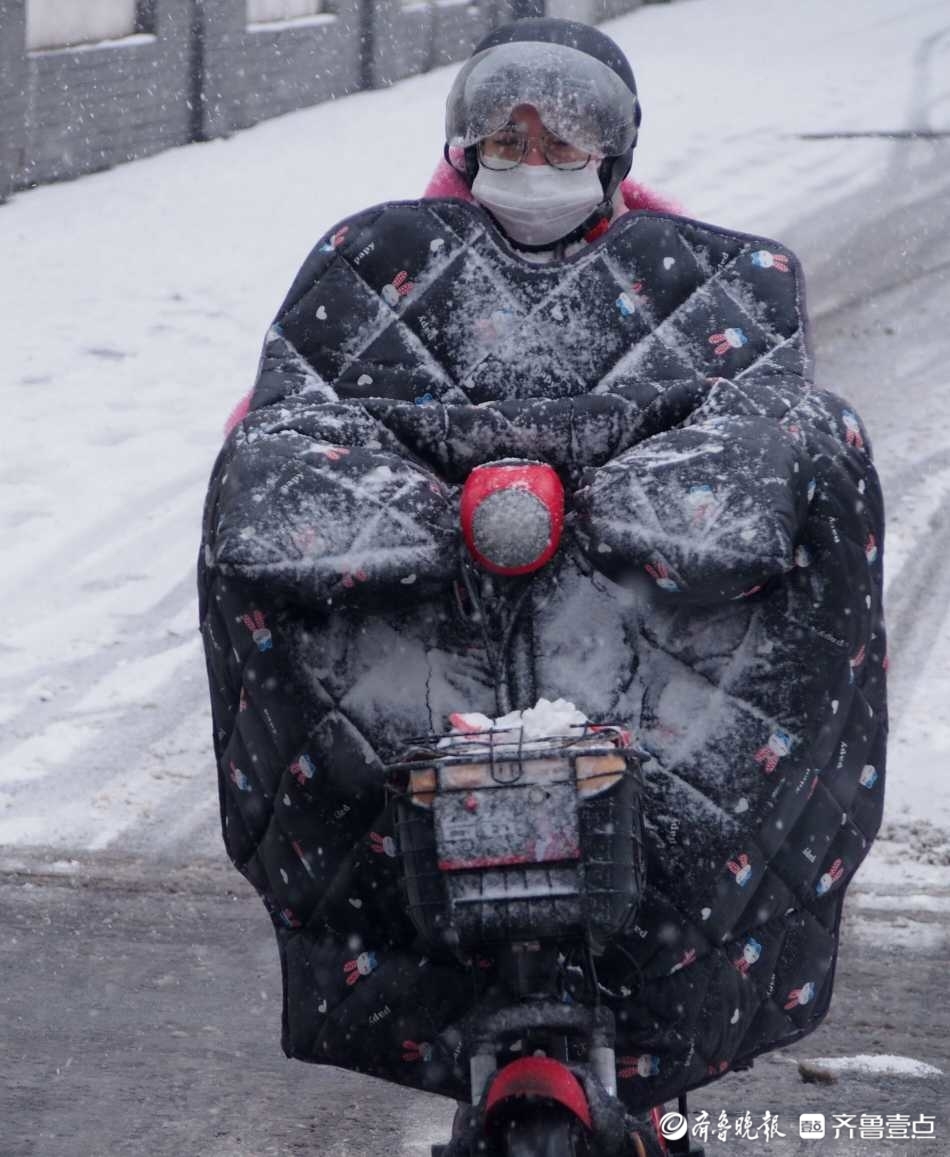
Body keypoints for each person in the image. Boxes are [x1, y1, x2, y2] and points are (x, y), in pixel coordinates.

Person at [199, 18, 886, 1157]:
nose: (532, 149)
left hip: (634, 667)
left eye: (564, 130)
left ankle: (653, 1057)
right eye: (503, 125)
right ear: (461, 141)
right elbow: (286, 436)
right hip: (422, 664)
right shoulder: (371, 274)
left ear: (613, 150)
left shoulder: (715, 289)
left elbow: (772, 443)